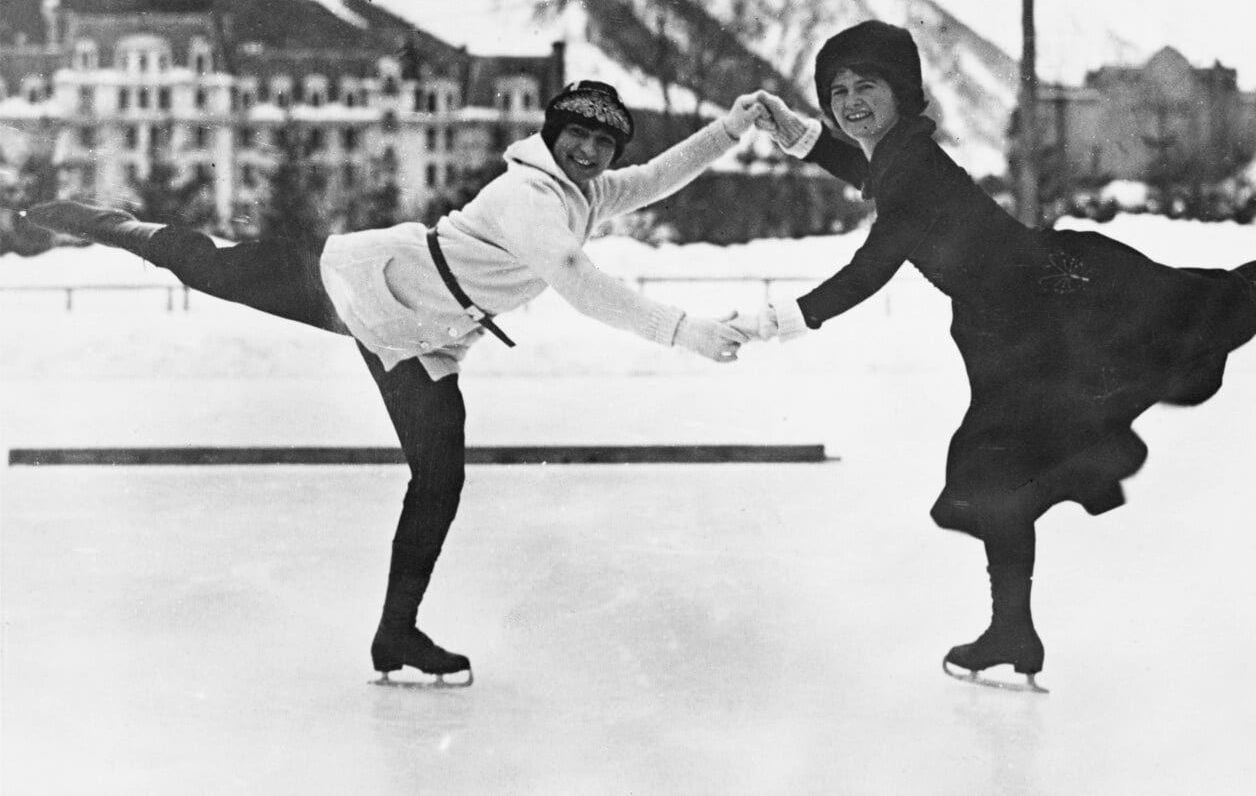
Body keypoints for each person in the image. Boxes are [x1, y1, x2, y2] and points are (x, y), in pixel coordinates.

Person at [739, 20, 1256, 691]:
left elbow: (872, 266)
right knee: (994, 482)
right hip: (1013, 336)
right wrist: (796, 136)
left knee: (1219, 309)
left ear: (900, 88)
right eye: (837, 93)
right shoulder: (895, 159)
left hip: (1067, 298)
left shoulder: (912, 166)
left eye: (866, 86)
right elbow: (865, 174)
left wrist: (778, 318)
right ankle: (1011, 630)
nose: (851, 103)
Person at [23, 80, 762, 687]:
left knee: (438, 479)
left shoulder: (584, 192)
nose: (591, 151)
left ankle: (395, 631)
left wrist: (730, 129)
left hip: (422, 344)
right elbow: (574, 277)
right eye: (580, 135)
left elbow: (656, 179)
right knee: (211, 268)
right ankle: (121, 227)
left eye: (605, 143)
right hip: (358, 281)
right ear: (550, 130)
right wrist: (682, 330)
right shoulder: (528, 194)